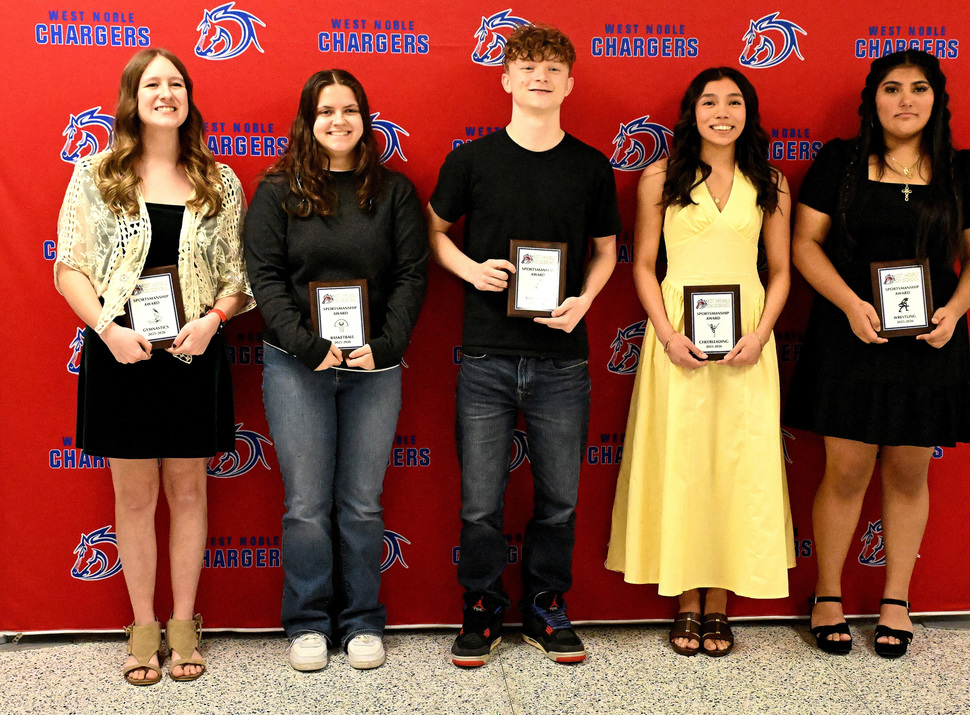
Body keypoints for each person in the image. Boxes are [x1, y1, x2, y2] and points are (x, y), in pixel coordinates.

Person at [785, 50, 970, 658]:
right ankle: (827, 594)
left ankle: (896, 600)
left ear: (937, 100)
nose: (905, 99)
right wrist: (850, 304)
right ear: (872, 99)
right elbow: (805, 244)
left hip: (929, 340)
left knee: (908, 472)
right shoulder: (839, 162)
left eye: (919, 88)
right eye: (892, 88)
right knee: (846, 472)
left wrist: (955, 312)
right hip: (851, 333)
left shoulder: (962, 170)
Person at [54, 48, 252, 684]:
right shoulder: (97, 174)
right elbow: (70, 267)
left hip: (194, 352)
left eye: (176, 84)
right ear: (132, 98)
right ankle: (143, 626)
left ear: (189, 97)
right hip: (122, 354)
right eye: (152, 84)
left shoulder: (219, 181)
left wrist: (214, 319)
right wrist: (107, 329)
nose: (165, 94)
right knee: (135, 498)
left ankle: (184, 623)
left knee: (189, 492)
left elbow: (238, 276)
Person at [427, 23, 620, 667]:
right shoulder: (472, 160)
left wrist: (585, 300)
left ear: (570, 84)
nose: (540, 77)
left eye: (552, 68)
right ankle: (481, 606)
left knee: (559, 498)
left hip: (562, 360)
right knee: (480, 502)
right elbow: (433, 232)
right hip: (485, 357)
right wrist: (470, 270)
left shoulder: (591, 166)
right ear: (506, 78)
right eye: (528, 66)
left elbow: (606, 251)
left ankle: (545, 605)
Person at [606, 67, 794, 658]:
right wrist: (666, 335)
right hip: (677, 340)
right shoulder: (660, 176)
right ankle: (686, 597)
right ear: (691, 112)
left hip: (748, 343)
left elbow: (781, 271)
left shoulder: (771, 182)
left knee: (738, 465)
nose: (722, 112)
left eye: (734, 102)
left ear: (748, 113)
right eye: (709, 102)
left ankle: (720, 601)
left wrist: (761, 334)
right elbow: (643, 265)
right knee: (683, 463)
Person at [244, 69, 427, 671]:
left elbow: (411, 274)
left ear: (364, 119)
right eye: (326, 111)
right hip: (297, 366)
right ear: (308, 121)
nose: (338, 121)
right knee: (304, 504)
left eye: (349, 110)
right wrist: (304, 345)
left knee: (362, 503)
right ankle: (307, 623)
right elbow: (264, 277)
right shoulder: (277, 192)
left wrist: (388, 344)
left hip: (375, 365)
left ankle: (362, 621)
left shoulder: (394, 192)